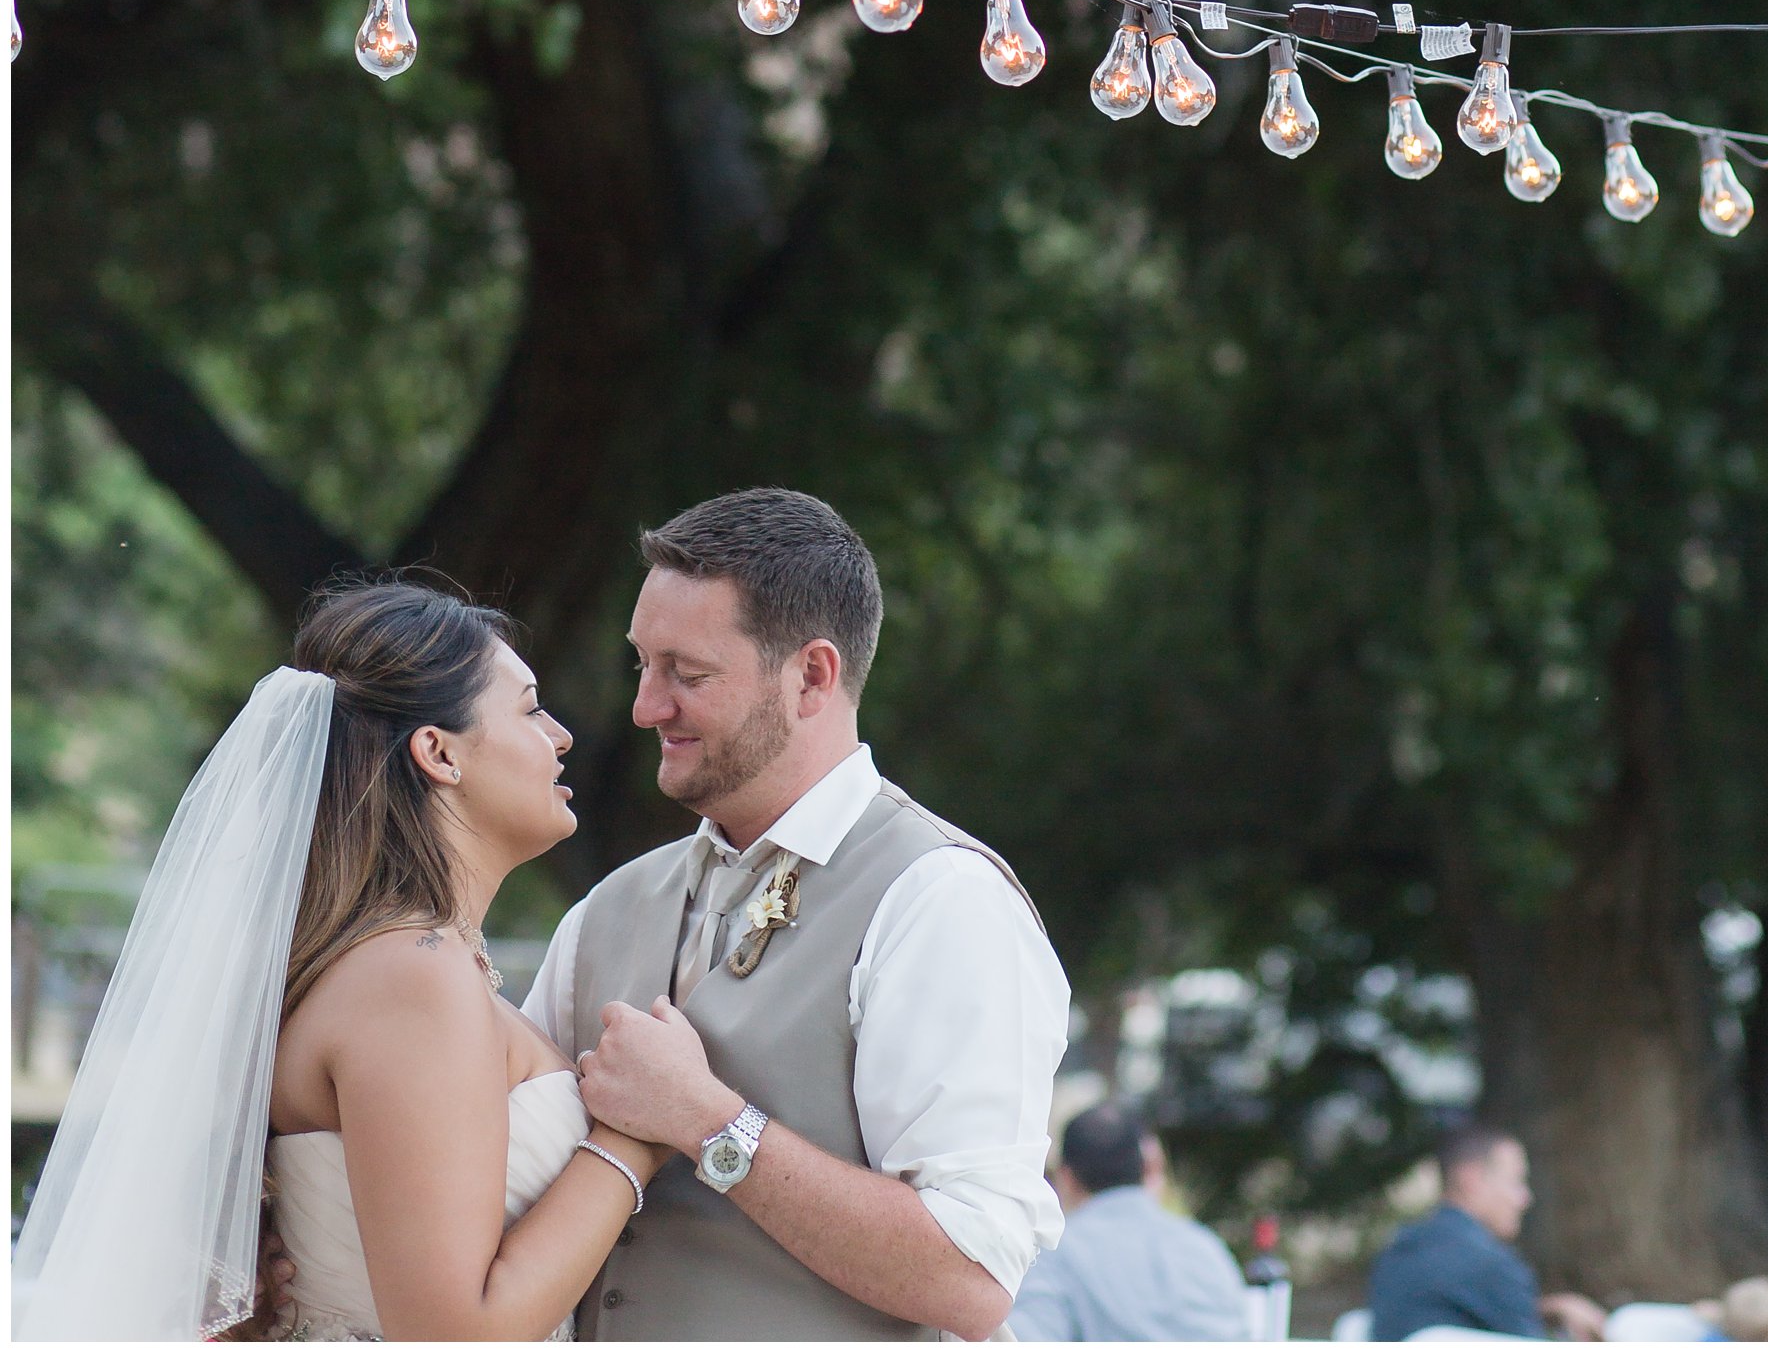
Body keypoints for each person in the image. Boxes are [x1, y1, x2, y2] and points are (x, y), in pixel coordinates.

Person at [14, 575, 665, 1341]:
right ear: (439, 752)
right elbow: (455, 1331)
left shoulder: (391, 963)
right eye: (527, 708)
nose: (559, 735)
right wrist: (632, 1140)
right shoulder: (412, 974)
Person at [526, 485, 1072, 1338]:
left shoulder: (940, 900)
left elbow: (969, 1276)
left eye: (688, 673)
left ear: (811, 675)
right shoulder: (604, 910)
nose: (645, 706)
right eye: (643, 663)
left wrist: (709, 1120)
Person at [1008, 1100, 1251, 1340]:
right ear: (1147, 1169)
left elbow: (1029, 1338)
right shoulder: (1206, 1247)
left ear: (1065, 1177)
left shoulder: (1054, 1256)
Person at [1368, 1124, 1607, 1342]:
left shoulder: (1397, 1252)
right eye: (1516, 1181)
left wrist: (1547, 1308)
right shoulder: (1491, 1263)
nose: (1525, 1199)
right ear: (1472, 1179)